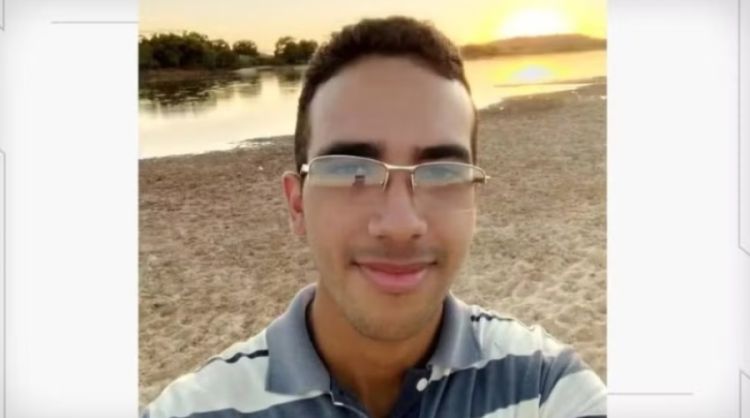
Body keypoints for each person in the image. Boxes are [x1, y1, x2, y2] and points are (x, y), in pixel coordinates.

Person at [143, 16, 607, 418]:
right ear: (297, 204)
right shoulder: (196, 409)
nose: (400, 224)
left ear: (474, 201)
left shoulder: (545, 386)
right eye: (351, 171)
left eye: (442, 173)